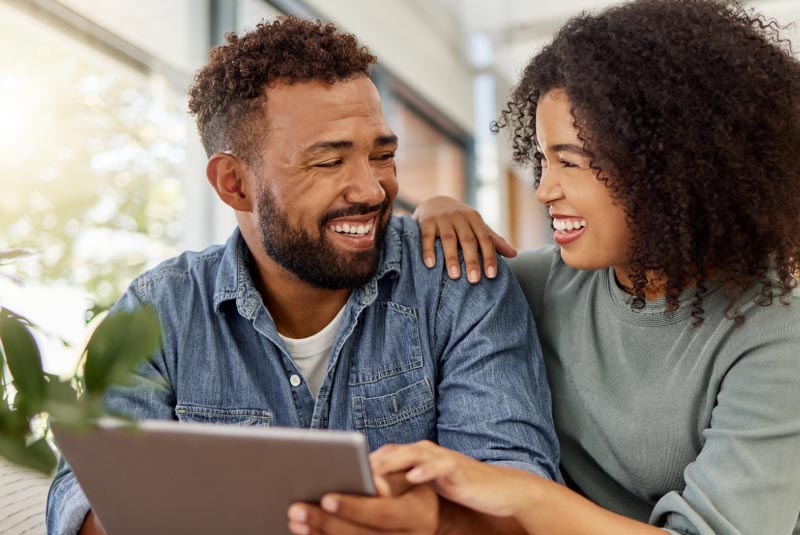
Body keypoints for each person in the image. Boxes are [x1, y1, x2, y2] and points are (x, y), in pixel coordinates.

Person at [287, 1, 800, 534]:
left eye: (571, 162)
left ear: (673, 168)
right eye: (543, 159)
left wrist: (523, 495)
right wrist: (433, 211)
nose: (543, 190)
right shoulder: (531, 285)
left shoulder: (778, 334)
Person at [45, 17, 559, 535]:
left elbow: (519, 497)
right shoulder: (160, 310)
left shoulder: (457, 280)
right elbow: (81, 498)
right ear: (234, 184)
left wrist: (432, 523)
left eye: (382, 155)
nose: (372, 190)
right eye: (329, 161)